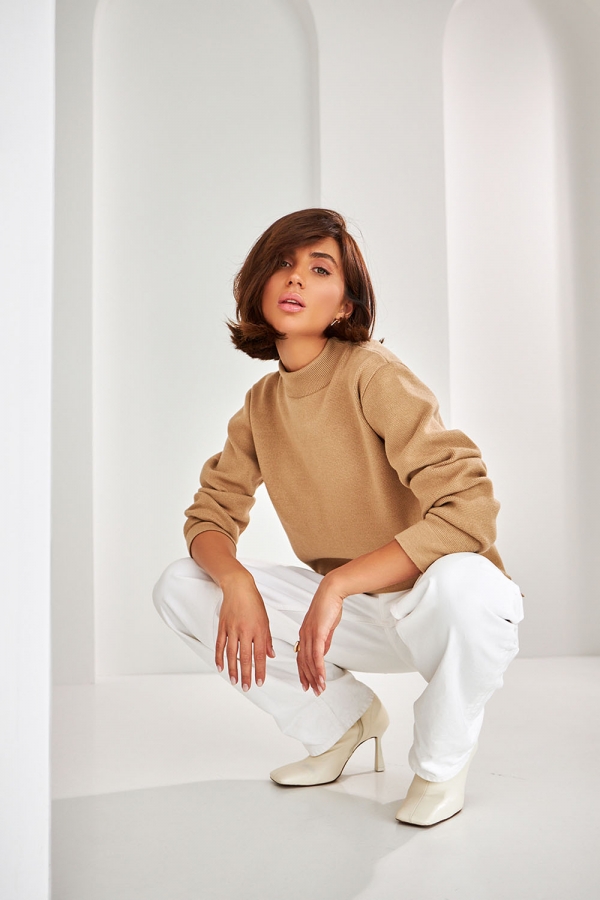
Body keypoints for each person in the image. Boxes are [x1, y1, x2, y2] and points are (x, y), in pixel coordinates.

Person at [153, 208, 523, 826]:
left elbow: (470, 509)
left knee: (468, 584)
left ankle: (439, 765)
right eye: (283, 263)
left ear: (344, 305)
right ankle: (342, 724)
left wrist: (339, 582)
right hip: (353, 617)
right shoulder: (261, 406)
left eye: (319, 269)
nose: (295, 278)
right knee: (182, 585)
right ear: (260, 286)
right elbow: (210, 513)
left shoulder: (371, 374)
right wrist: (236, 580)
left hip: (436, 607)